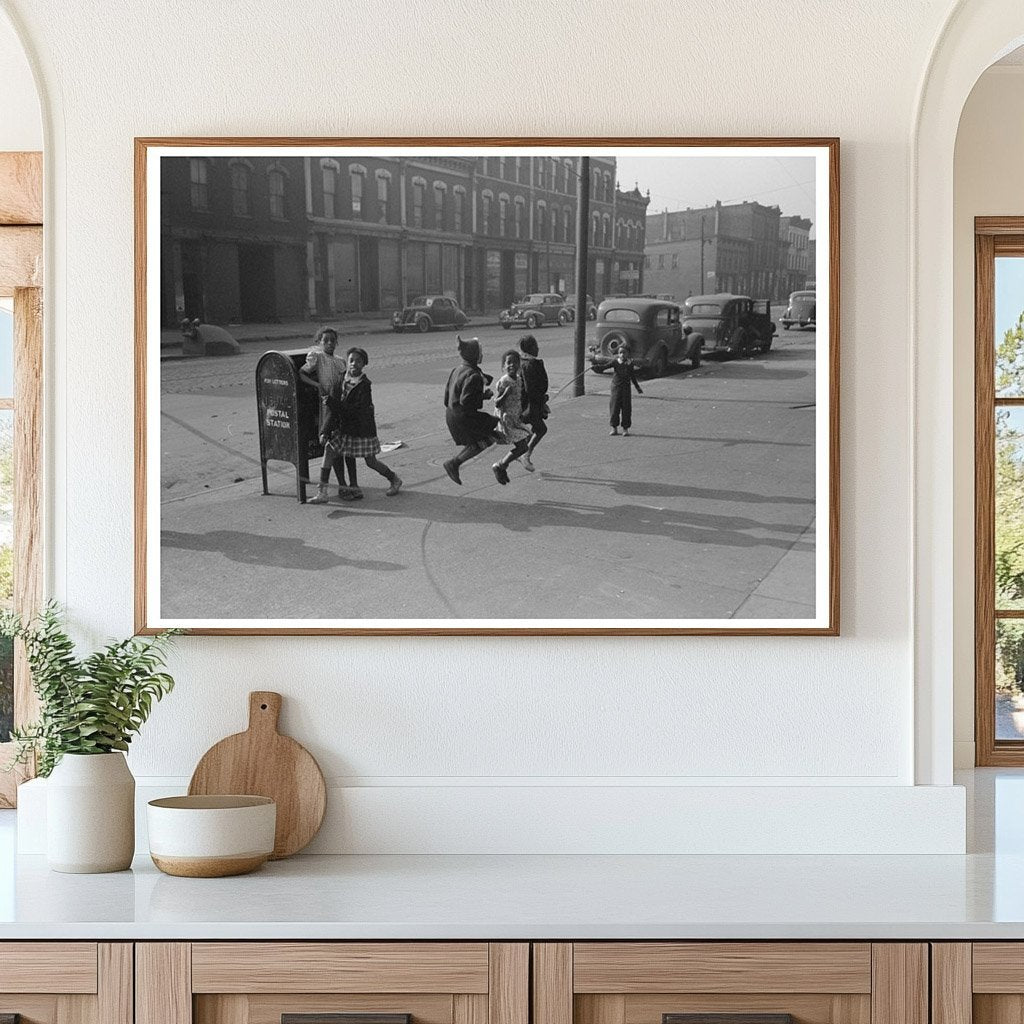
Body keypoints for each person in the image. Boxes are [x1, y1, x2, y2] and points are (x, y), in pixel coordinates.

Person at [324, 347, 402, 499]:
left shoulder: (364, 385)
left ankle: (394, 479)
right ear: (347, 362)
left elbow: (356, 409)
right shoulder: (341, 379)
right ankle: (343, 488)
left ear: (364, 364)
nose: (354, 364)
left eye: (358, 361)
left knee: (371, 461)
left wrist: (334, 404)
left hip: (362, 429)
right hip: (345, 427)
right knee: (339, 452)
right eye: (351, 360)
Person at [299, 326, 357, 501]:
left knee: (343, 445)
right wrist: (317, 386)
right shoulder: (317, 357)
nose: (330, 343)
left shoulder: (340, 361)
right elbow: (302, 373)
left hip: (341, 404)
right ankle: (341, 485)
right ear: (319, 342)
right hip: (327, 405)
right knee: (333, 446)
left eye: (333, 340)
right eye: (326, 340)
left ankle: (349, 485)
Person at [442, 336, 500, 485]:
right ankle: (454, 463)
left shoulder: (457, 370)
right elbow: (467, 401)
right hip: (463, 417)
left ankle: (454, 463)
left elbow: (447, 398)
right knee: (490, 435)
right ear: (474, 355)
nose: (482, 355)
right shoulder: (474, 376)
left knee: (478, 440)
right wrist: (484, 396)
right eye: (480, 352)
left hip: (451, 414)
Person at [490, 349, 531, 486]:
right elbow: (497, 402)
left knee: (526, 440)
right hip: (506, 419)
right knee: (523, 447)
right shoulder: (504, 381)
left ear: (519, 365)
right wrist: (505, 394)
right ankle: (500, 465)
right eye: (509, 362)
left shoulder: (519, 379)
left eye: (515, 362)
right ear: (504, 366)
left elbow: (520, 397)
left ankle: (502, 465)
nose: (512, 365)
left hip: (515, 417)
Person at [518, 334, 549, 472]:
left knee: (535, 429)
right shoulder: (529, 364)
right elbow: (530, 389)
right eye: (535, 346)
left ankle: (522, 453)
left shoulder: (525, 362)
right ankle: (525, 454)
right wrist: (542, 399)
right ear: (530, 348)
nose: (538, 348)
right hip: (530, 404)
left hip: (529, 403)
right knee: (541, 429)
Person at [608, 343, 643, 435]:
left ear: (628, 354)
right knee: (614, 408)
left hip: (626, 389)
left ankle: (625, 428)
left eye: (624, 352)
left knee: (626, 409)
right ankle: (614, 428)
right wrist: (596, 366)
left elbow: (632, 376)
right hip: (616, 388)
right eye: (620, 352)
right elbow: (605, 366)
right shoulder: (615, 362)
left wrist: (637, 387)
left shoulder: (629, 364)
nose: (622, 355)